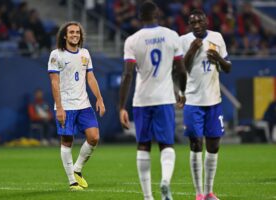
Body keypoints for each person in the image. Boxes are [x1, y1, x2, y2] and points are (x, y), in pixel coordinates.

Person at [119, 1, 187, 200]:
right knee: (167, 145)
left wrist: (121, 106)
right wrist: (182, 91)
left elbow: (127, 75)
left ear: (139, 17)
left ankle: (148, 197)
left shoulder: (132, 40)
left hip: (142, 100)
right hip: (164, 98)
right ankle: (165, 181)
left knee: (143, 146)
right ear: (158, 14)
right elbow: (180, 70)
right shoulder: (171, 36)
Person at [180, 9, 231, 200]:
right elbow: (180, 69)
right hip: (193, 101)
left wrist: (218, 58)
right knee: (196, 144)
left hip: (214, 101)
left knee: (213, 146)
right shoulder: (183, 40)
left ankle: (209, 192)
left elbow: (228, 67)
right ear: (189, 25)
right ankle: (199, 194)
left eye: (199, 21)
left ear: (206, 21)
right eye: (192, 23)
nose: (196, 25)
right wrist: (192, 50)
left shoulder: (217, 37)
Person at [48, 21, 105, 191]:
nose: (75, 35)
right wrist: (59, 107)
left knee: (94, 137)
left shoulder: (85, 53)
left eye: (77, 32)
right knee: (67, 141)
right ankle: (72, 181)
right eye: (71, 32)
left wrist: (99, 99)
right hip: (66, 106)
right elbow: (54, 83)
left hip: (84, 104)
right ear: (65, 35)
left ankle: (77, 169)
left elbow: (91, 78)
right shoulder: (56, 55)